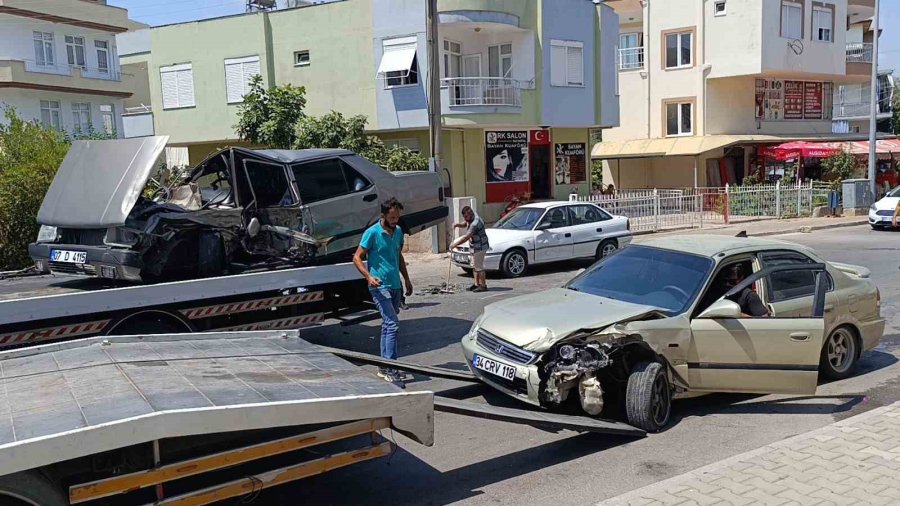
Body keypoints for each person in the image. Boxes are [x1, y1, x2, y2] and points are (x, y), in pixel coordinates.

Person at [352, 198, 413, 387]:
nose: (395, 220)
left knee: (387, 326)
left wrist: (407, 279)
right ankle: (390, 368)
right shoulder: (372, 233)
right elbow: (357, 258)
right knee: (392, 324)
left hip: (395, 285)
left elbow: (398, 256)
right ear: (384, 215)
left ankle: (382, 366)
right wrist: (369, 277)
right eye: (392, 217)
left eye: (397, 217)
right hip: (379, 286)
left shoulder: (398, 232)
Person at [450, 206, 490, 292]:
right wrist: (457, 225)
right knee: (474, 266)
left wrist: (454, 244)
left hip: (480, 246)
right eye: (464, 217)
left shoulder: (475, 223)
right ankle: (476, 284)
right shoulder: (471, 218)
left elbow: (466, 237)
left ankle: (483, 285)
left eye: (466, 217)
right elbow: (465, 224)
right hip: (474, 246)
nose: (465, 219)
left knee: (479, 267)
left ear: (470, 214)